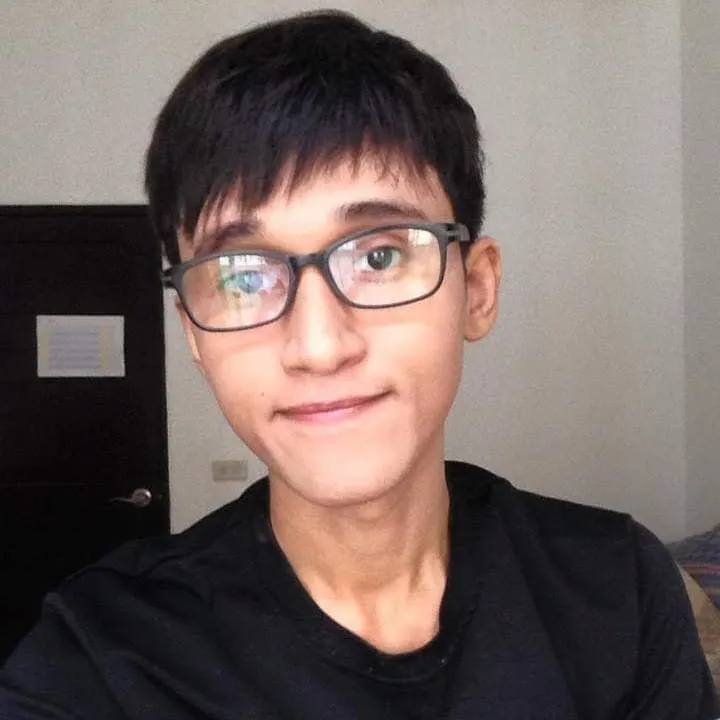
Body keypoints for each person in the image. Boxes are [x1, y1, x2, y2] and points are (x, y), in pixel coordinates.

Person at [1, 10, 717, 719]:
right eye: (243, 275)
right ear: (193, 330)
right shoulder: (97, 662)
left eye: (378, 255)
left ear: (477, 290)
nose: (319, 346)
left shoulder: (617, 590)